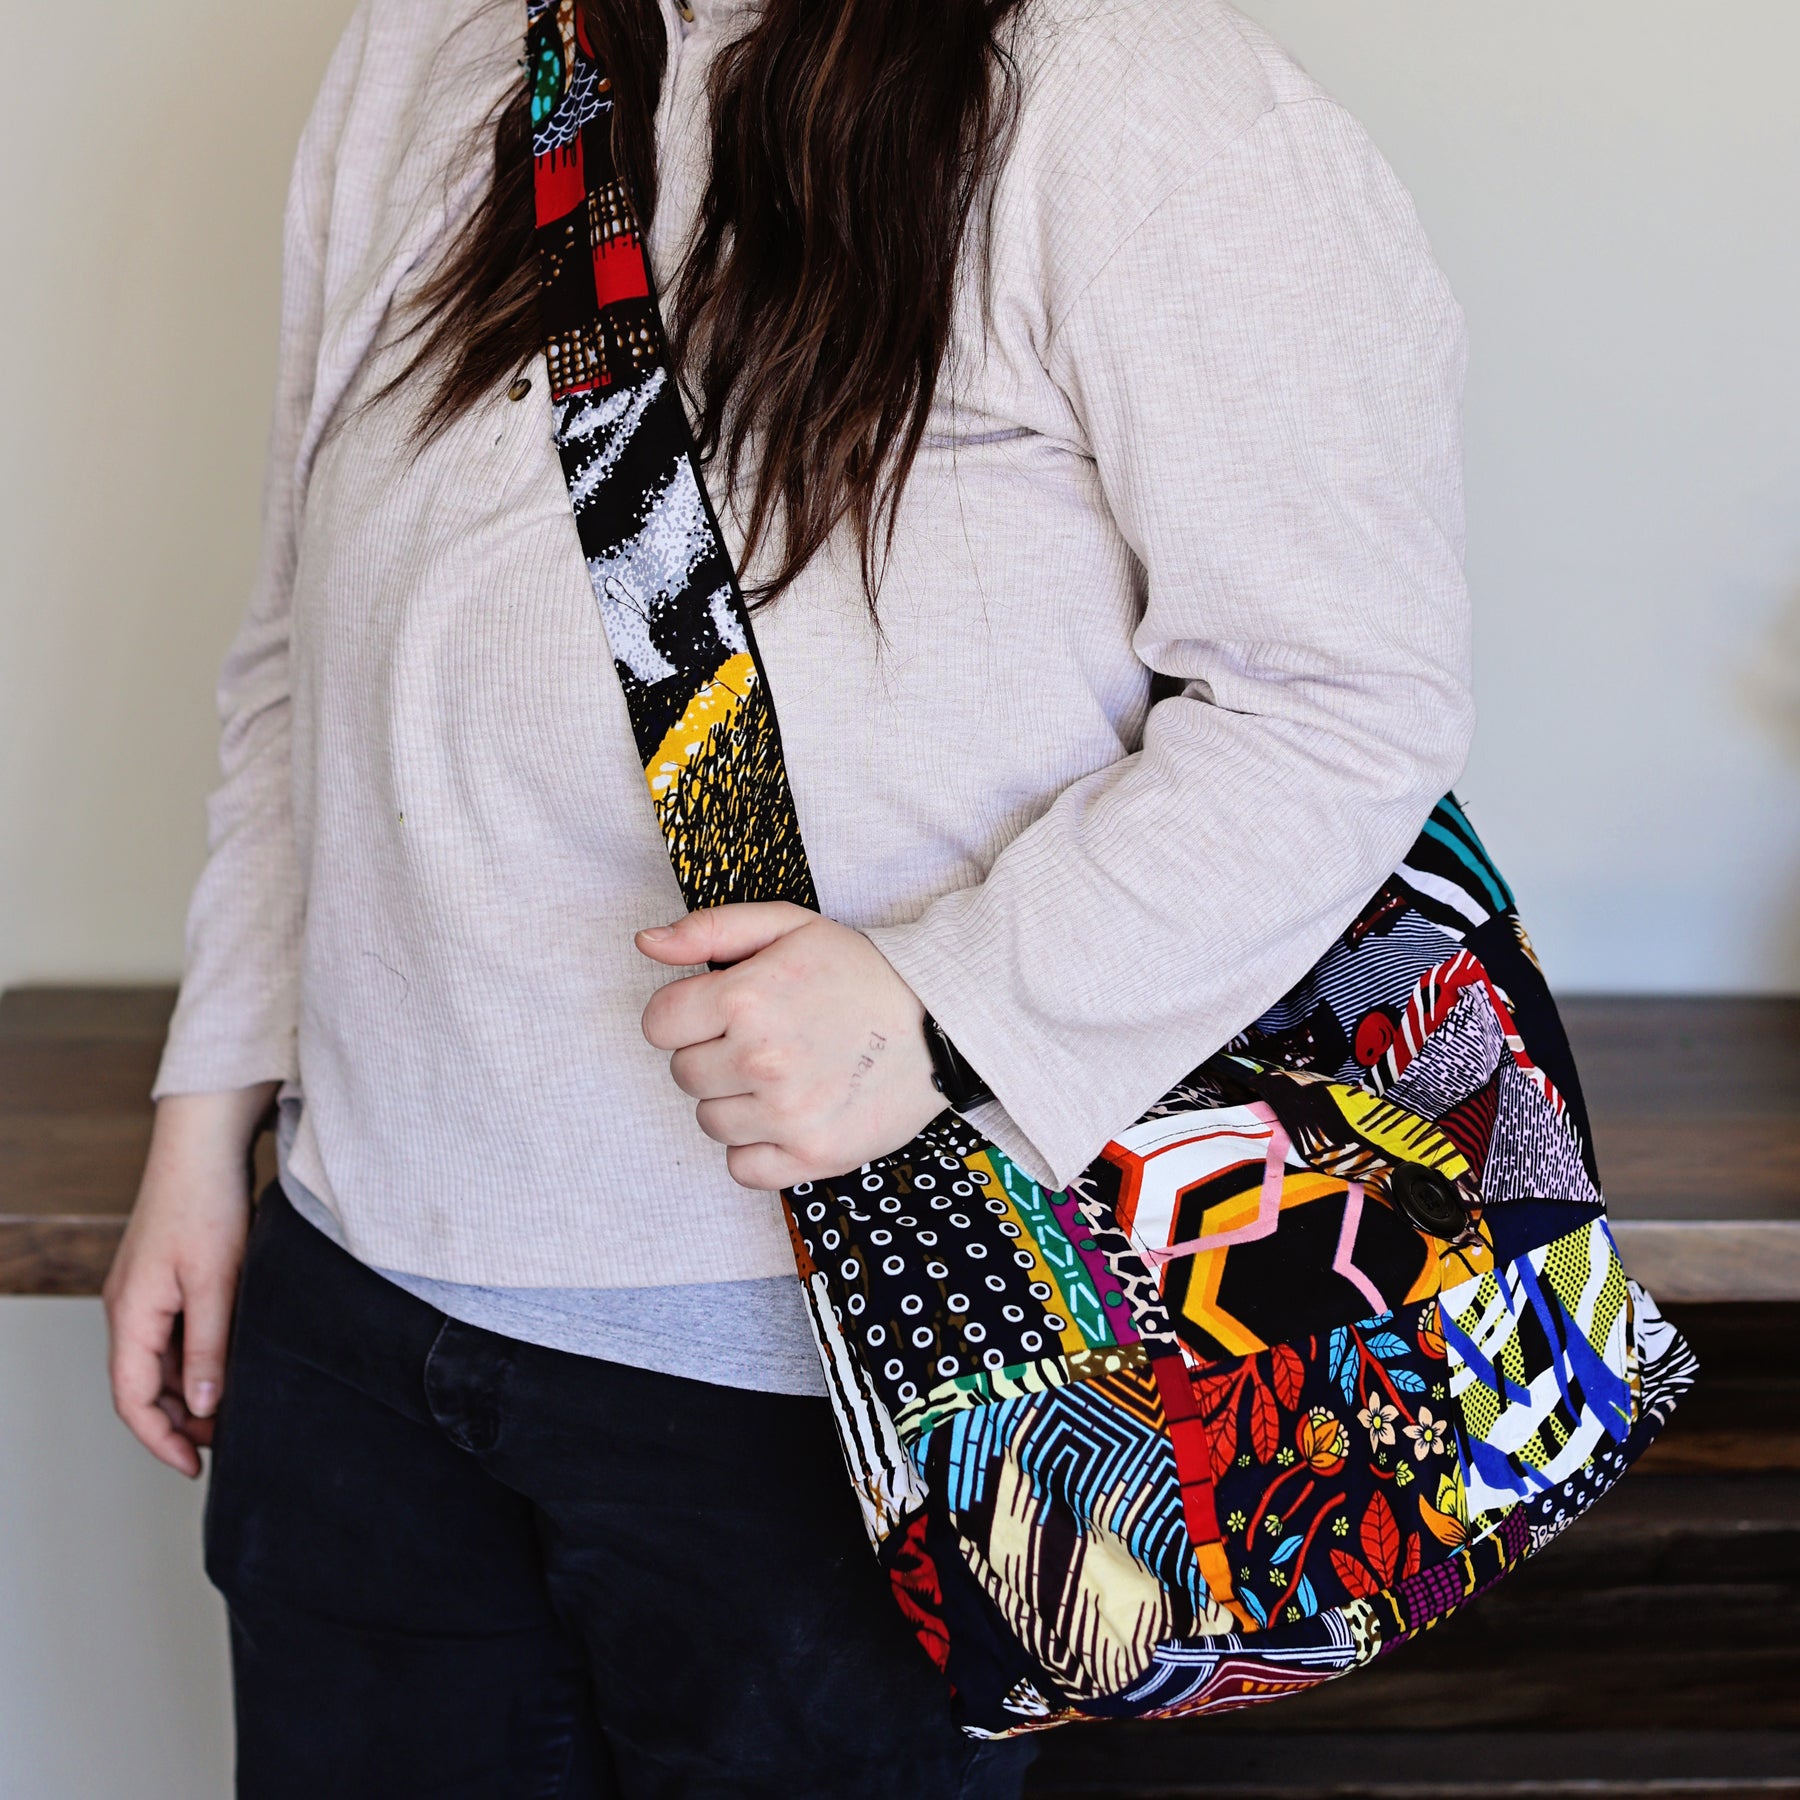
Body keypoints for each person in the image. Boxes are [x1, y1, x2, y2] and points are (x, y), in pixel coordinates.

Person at [103, 0, 1473, 1791]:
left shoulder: (1137, 103)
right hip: (359, 1324)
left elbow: (1342, 701)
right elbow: (304, 648)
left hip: (842, 1385)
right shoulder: (435, 43)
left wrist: (942, 1003)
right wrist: (208, 1118)